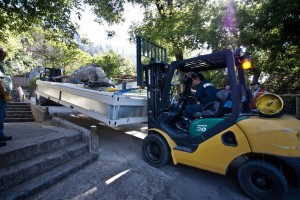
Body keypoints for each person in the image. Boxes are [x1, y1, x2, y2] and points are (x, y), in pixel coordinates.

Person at [0, 46, 12, 147]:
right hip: (1, 95)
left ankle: (1, 135)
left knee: (2, 116)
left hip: (2, 97)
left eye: (5, 54)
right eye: (2, 53)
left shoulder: (1, 65)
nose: (4, 55)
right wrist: (4, 92)